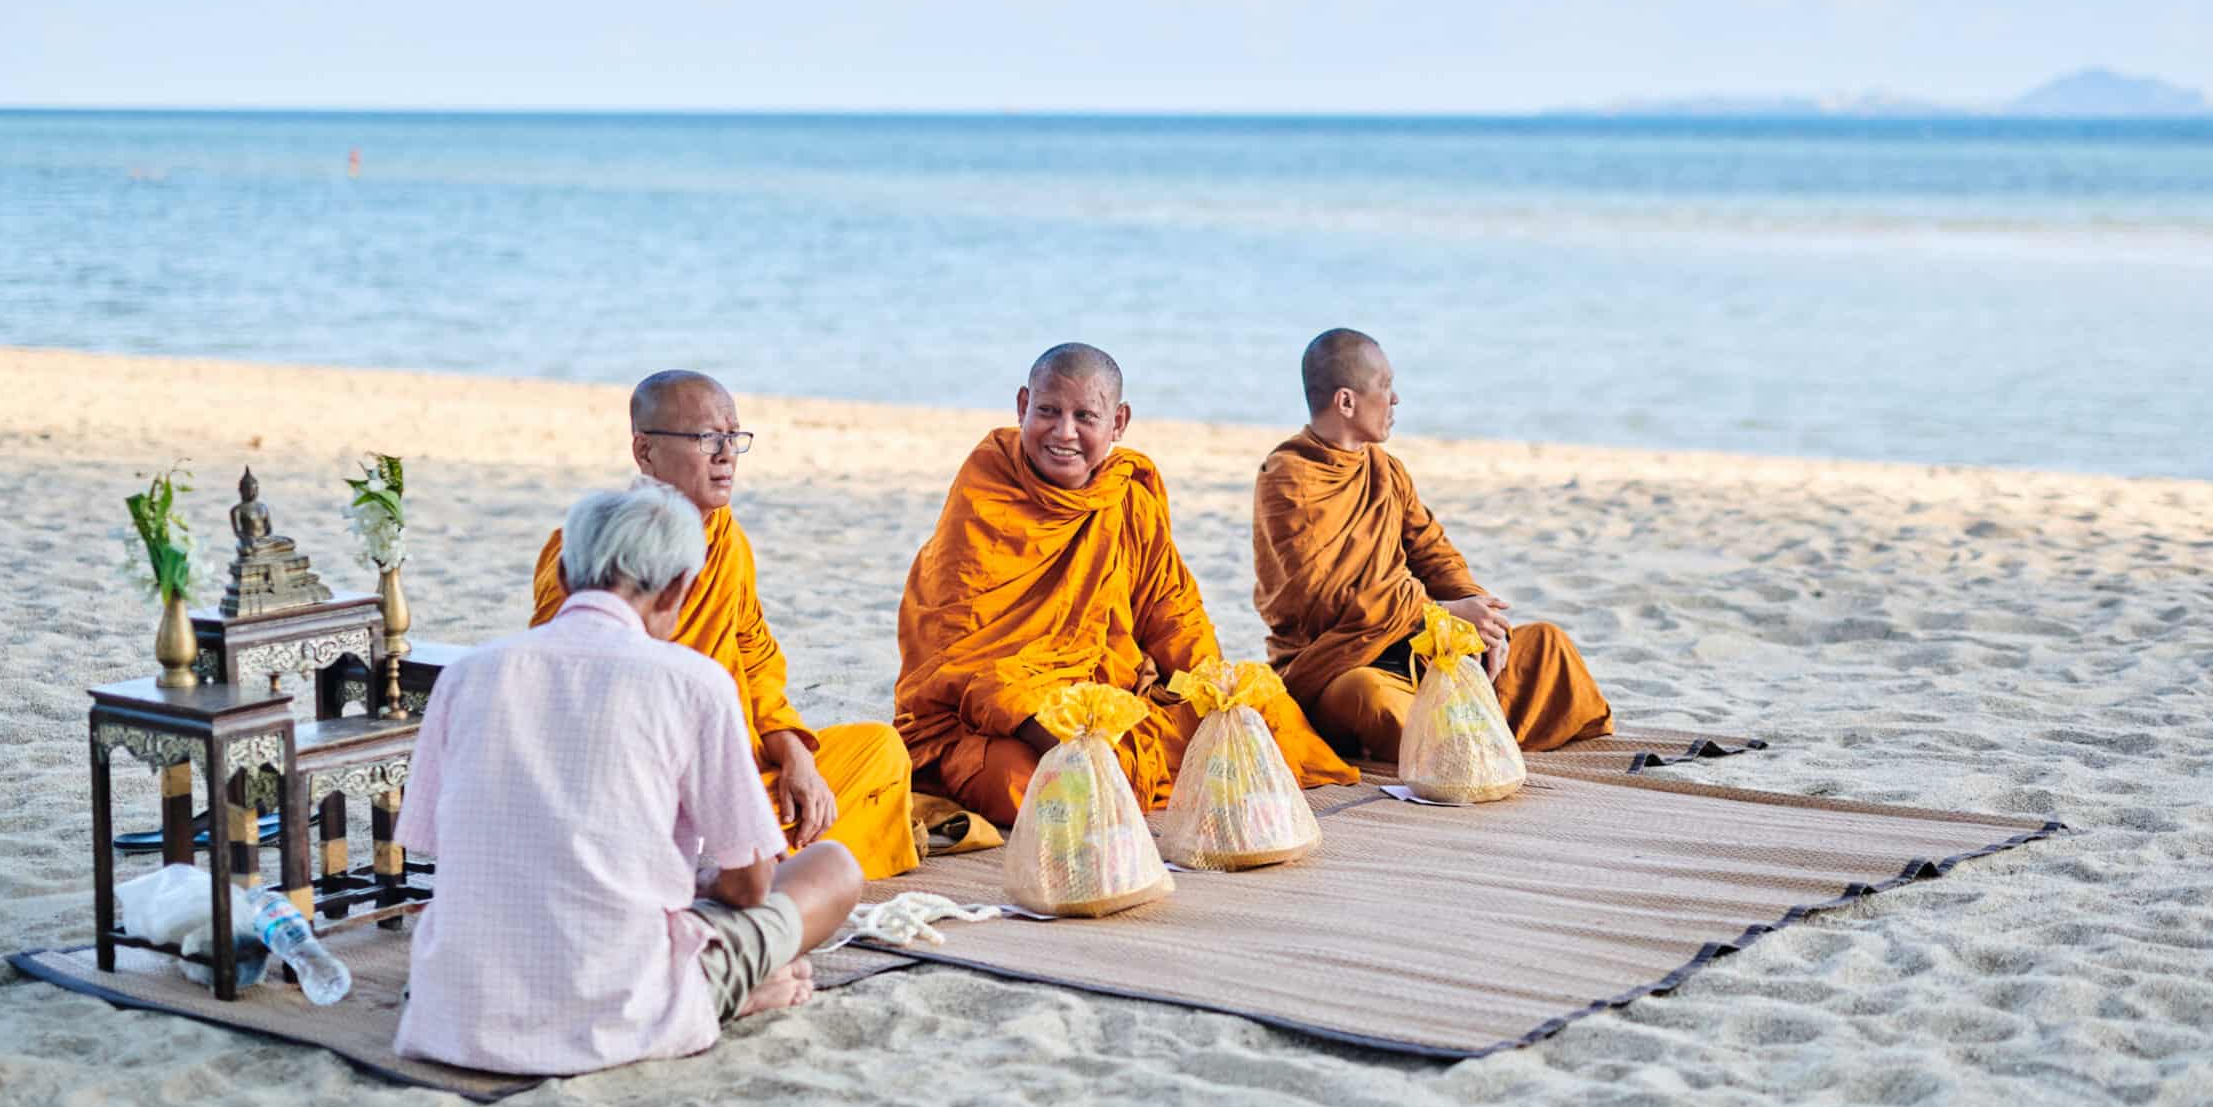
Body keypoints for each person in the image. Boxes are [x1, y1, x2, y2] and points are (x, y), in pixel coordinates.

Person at [396, 483, 862, 1075]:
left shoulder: (467, 674)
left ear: (562, 575)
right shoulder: (694, 682)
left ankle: (720, 986)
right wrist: (698, 884)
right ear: (677, 589)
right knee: (833, 869)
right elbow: (749, 889)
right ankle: (723, 996)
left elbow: (435, 845)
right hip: (621, 1007)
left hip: (461, 1009)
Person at [895, 343, 1357, 826]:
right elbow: (956, 659)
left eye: (1085, 417)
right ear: (1022, 405)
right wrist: (1042, 715)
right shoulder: (985, 492)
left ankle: (1100, 764)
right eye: (1048, 411)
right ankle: (1091, 763)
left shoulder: (1125, 495)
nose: (1064, 432)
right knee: (1015, 780)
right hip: (1005, 717)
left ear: (1118, 423)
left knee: (1259, 711)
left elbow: (1170, 609)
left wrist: (1212, 686)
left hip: (1110, 694)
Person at [532, 370, 918, 879]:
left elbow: (754, 658)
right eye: (708, 438)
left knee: (880, 750)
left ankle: (745, 860)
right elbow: (563, 684)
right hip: (641, 781)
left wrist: (795, 754)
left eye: (734, 437)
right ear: (645, 450)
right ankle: (749, 861)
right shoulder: (592, 546)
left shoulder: (726, 539)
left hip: (737, 769)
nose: (727, 455)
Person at [1252, 328, 1613, 763]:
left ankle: (1464, 734)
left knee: (1548, 648)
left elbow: (1432, 552)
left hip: (1417, 647)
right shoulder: (1287, 479)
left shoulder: (1387, 471)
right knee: (1370, 698)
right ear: (1346, 402)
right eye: (1385, 386)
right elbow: (1326, 597)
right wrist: (1440, 614)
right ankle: (1466, 736)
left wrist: (1480, 618)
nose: (1396, 399)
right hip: (1338, 663)